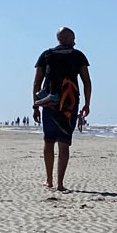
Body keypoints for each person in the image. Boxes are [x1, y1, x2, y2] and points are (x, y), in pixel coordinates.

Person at [32, 26, 91, 191]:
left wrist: (35, 105)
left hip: (49, 104)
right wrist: (87, 103)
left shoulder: (46, 55)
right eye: (73, 38)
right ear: (66, 38)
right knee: (64, 143)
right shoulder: (78, 55)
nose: (75, 42)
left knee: (49, 141)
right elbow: (87, 81)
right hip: (69, 105)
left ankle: (49, 180)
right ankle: (60, 184)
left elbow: (37, 83)